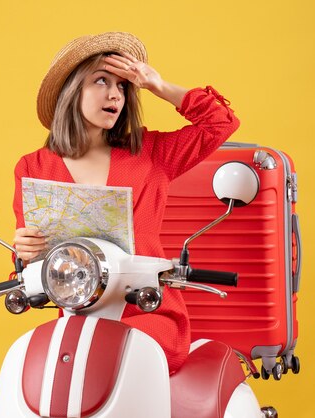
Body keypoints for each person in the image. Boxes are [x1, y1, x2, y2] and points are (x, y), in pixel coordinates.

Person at [12, 32, 240, 373]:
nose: (114, 94)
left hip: (148, 313)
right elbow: (26, 272)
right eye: (101, 81)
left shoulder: (152, 154)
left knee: (110, 355)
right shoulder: (33, 168)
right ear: (71, 90)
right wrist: (24, 252)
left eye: (123, 85)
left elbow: (220, 122)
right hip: (81, 317)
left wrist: (156, 84)